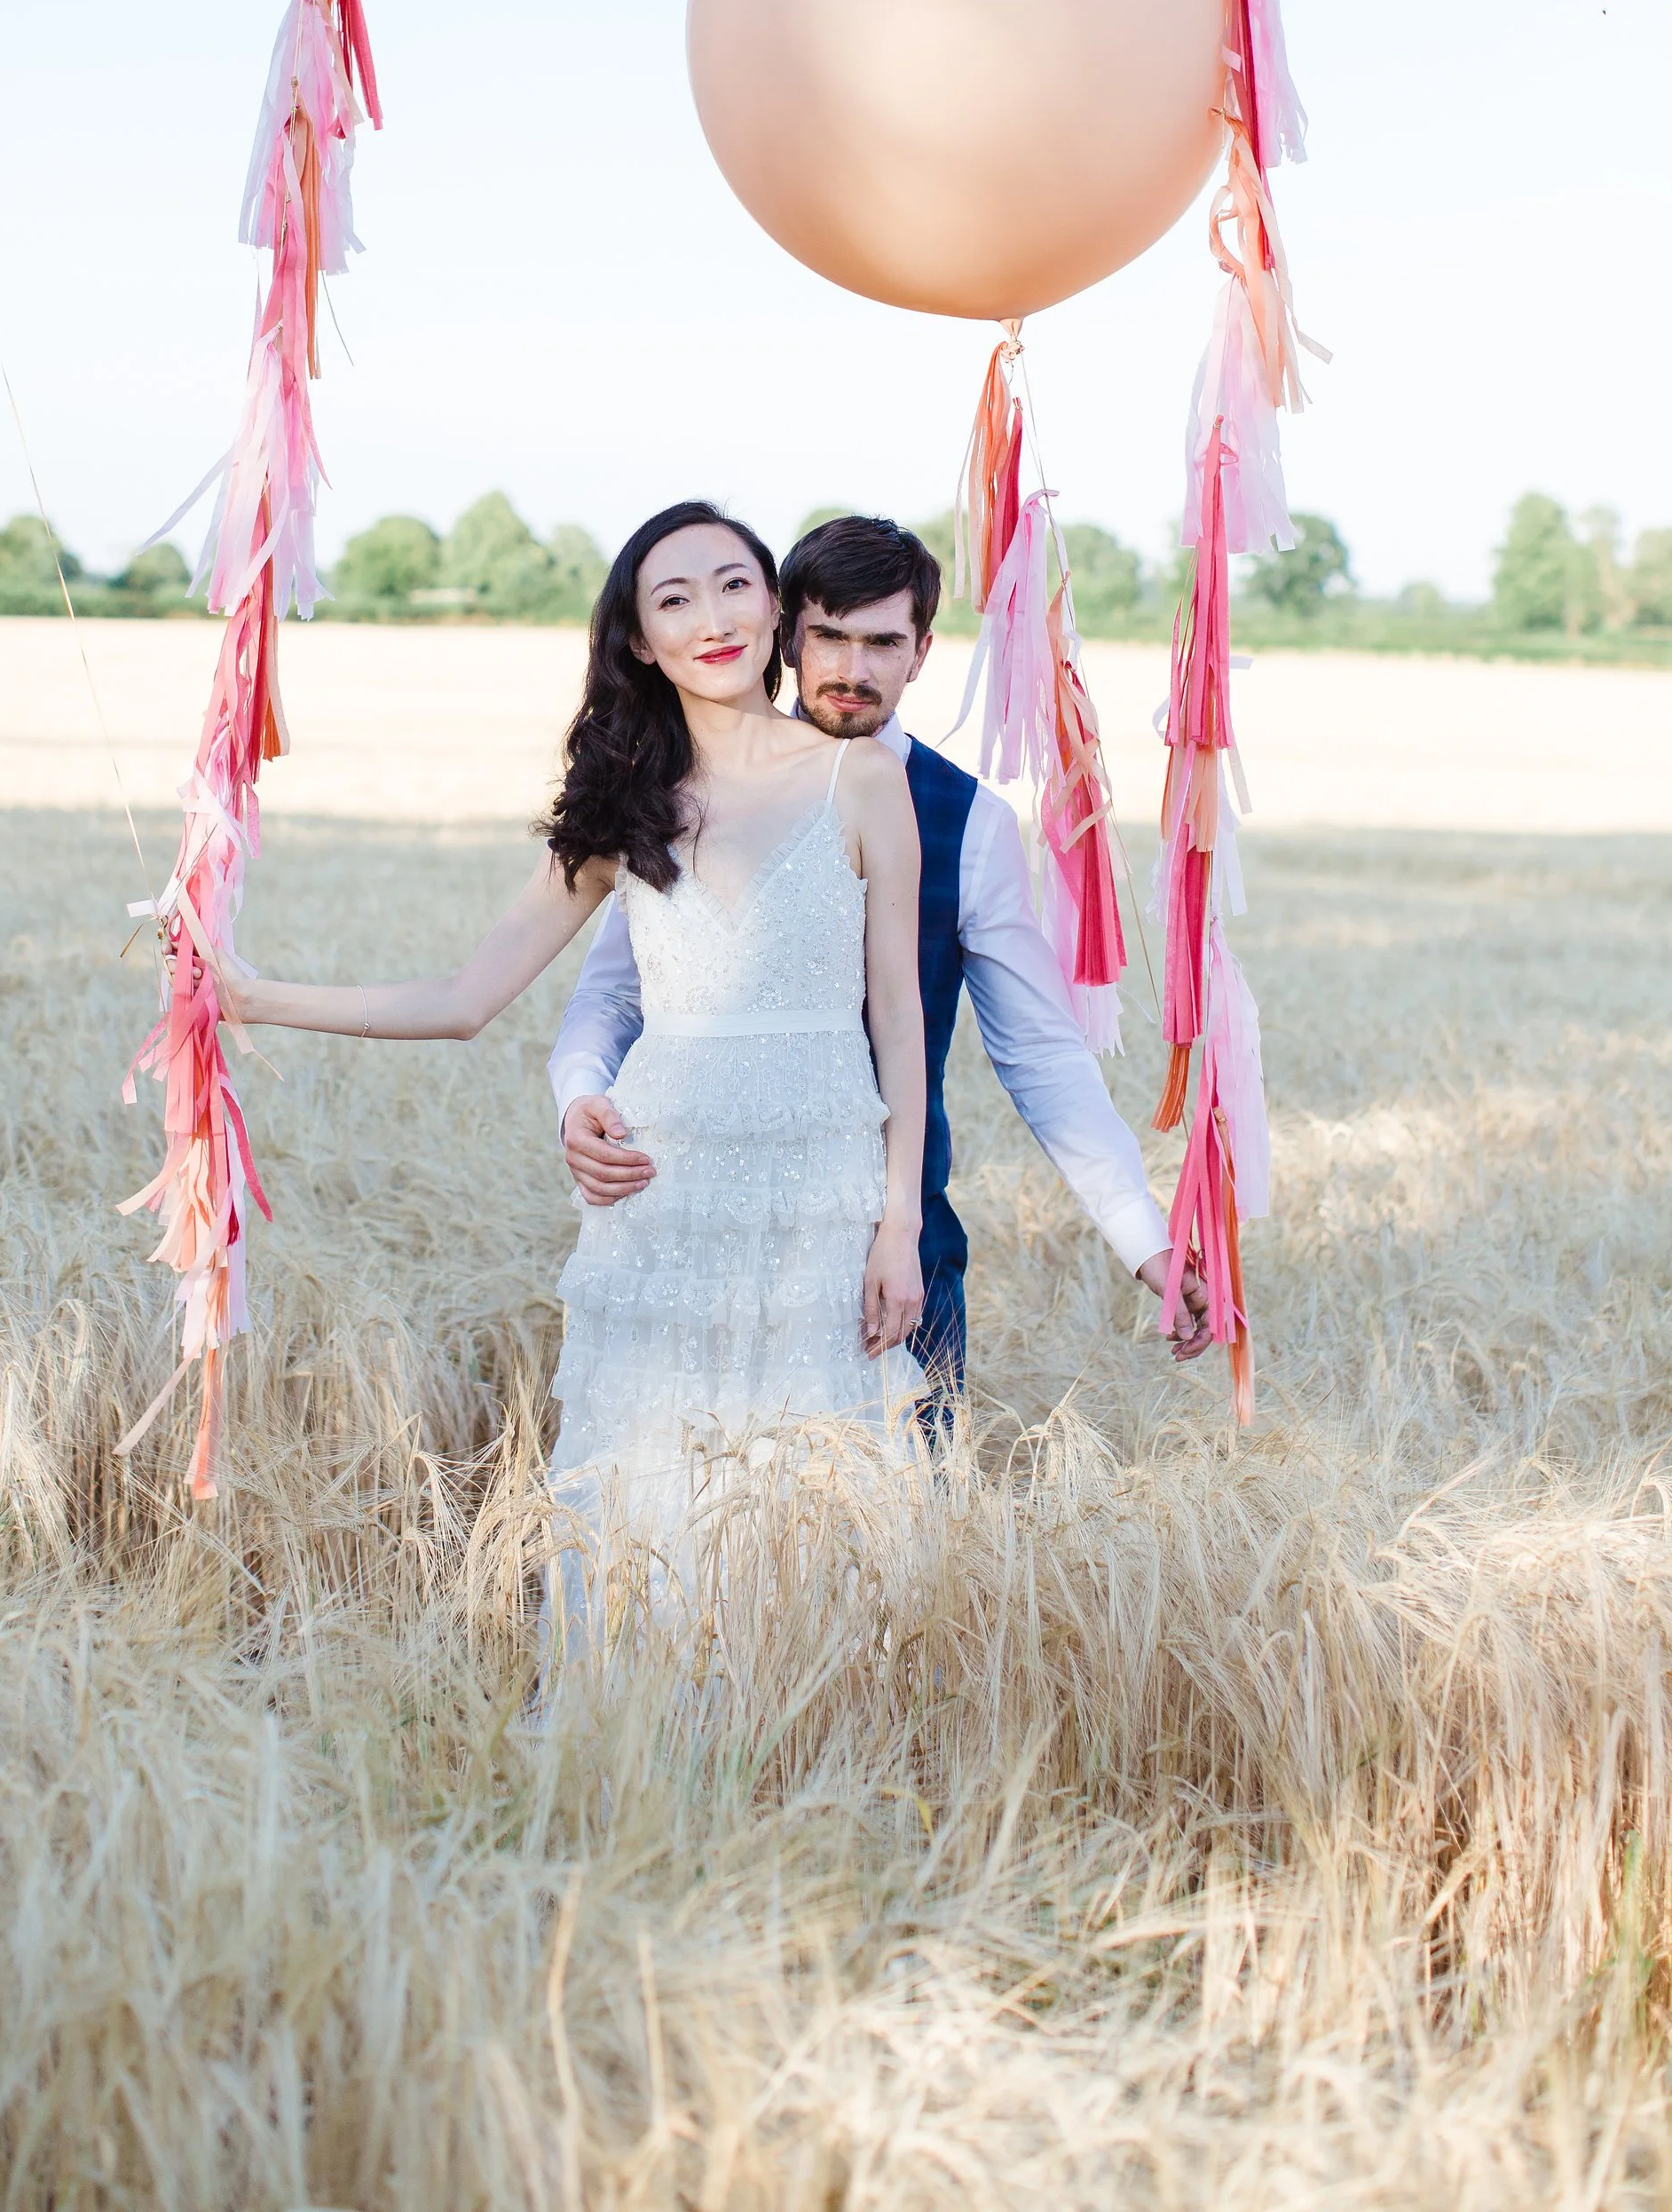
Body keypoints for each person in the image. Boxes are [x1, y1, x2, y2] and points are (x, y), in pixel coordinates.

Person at [217, 498, 932, 1625]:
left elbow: (898, 1015)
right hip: (662, 1195)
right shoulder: (625, 809)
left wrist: (899, 1226)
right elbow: (463, 1000)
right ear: (640, 641)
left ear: (777, 608)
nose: (713, 618)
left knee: (816, 1483)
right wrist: (248, 997)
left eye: (734, 584)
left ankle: (801, 1722)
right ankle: (630, 1720)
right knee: (654, 1488)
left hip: (822, 1201)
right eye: (674, 599)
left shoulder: (862, 781)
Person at [553, 512, 1211, 1401]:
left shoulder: (968, 824)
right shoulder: (682, 788)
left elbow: (1040, 1053)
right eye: (828, 635)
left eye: (883, 643)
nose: (852, 671)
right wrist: (578, 1095)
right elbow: (612, 995)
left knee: (906, 1488)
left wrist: (1146, 1240)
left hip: (895, 1254)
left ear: (922, 652)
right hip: (702, 1224)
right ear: (784, 631)